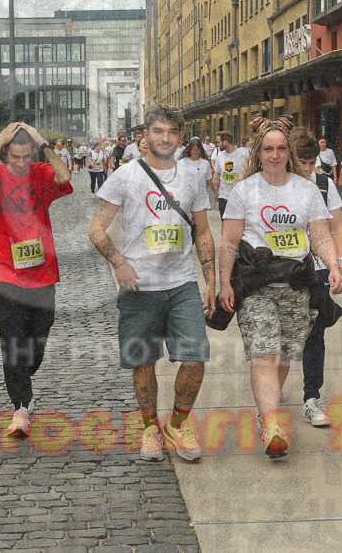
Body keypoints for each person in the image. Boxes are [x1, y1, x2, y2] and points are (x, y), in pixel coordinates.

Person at [88, 105, 216, 462]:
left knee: (195, 356)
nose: (165, 138)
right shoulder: (126, 176)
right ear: (145, 136)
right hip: (138, 287)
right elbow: (96, 229)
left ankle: (177, 424)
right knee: (143, 361)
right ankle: (149, 429)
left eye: (172, 132)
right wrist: (119, 262)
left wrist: (210, 280)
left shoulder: (192, 177)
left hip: (182, 283)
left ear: (180, 136)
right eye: (158, 131)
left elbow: (203, 231)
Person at [218, 115, 342, 459]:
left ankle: (265, 412)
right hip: (257, 283)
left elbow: (320, 234)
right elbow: (229, 241)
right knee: (265, 354)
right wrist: (223, 283)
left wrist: (333, 265)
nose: (275, 155)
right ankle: (273, 424)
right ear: (257, 152)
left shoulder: (306, 190)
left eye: (281, 148)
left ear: (289, 151)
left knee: (286, 355)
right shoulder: (243, 190)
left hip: (297, 283)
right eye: (268, 148)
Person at [0, 122, 73, 437]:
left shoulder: (40, 173)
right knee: (13, 342)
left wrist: (44, 142)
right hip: (4, 272)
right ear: (5, 155)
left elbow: (64, 177)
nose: (21, 163)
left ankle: (23, 378)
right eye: (15, 157)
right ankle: (20, 408)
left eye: (26, 156)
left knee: (38, 337)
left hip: (42, 274)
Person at [291, 129, 342, 428]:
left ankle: (311, 397)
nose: (308, 169)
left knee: (315, 334)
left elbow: (337, 225)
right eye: (303, 162)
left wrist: (339, 261)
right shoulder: (275, 185)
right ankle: (269, 397)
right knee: (285, 337)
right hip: (282, 270)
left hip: (318, 268)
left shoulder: (324, 184)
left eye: (312, 163)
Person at [212, 131, 247, 216]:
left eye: (218, 142)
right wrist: (215, 179)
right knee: (224, 220)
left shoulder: (242, 154)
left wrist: (241, 179)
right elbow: (217, 172)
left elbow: (250, 172)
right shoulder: (220, 156)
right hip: (224, 194)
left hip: (239, 195)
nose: (217, 144)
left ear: (226, 142)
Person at [178, 137, 215, 202]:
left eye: (197, 150)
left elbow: (209, 181)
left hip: (201, 199)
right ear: (189, 150)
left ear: (200, 150)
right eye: (193, 150)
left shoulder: (205, 163)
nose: (195, 152)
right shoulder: (182, 162)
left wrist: (215, 192)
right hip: (186, 198)